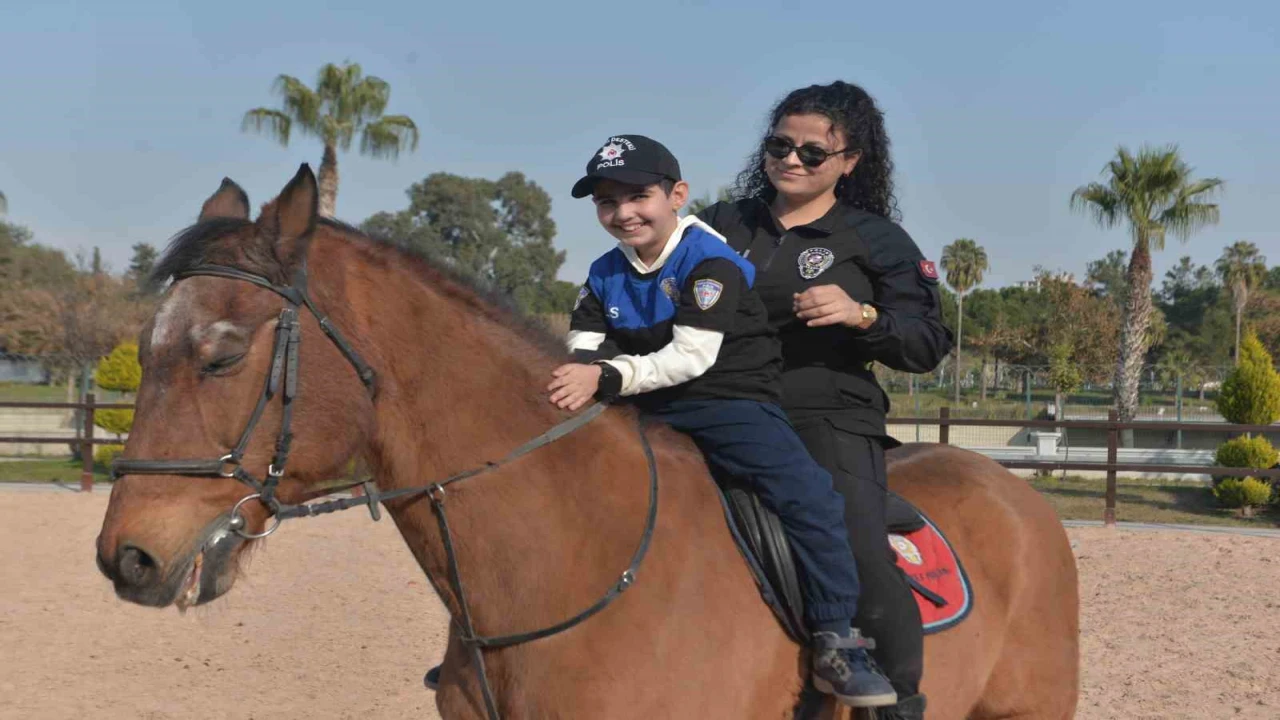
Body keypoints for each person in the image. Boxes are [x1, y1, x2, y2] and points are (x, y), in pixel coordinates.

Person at [549, 133, 897, 708]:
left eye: (638, 196)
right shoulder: (604, 271)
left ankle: (838, 639)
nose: (623, 212)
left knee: (810, 495)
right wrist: (582, 376)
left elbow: (691, 357)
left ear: (676, 195)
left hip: (725, 400)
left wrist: (603, 377)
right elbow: (584, 345)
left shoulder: (709, 261)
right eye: (607, 202)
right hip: (642, 400)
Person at [696, 81, 953, 720]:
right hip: (714, 404)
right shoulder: (722, 223)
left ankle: (895, 704)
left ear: (850, 161)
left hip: (824, 415)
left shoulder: (875, 239)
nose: (792, 159)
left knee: (857, 550)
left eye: (813, 152)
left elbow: (927, 342)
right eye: (779, 145)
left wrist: (862, 315)